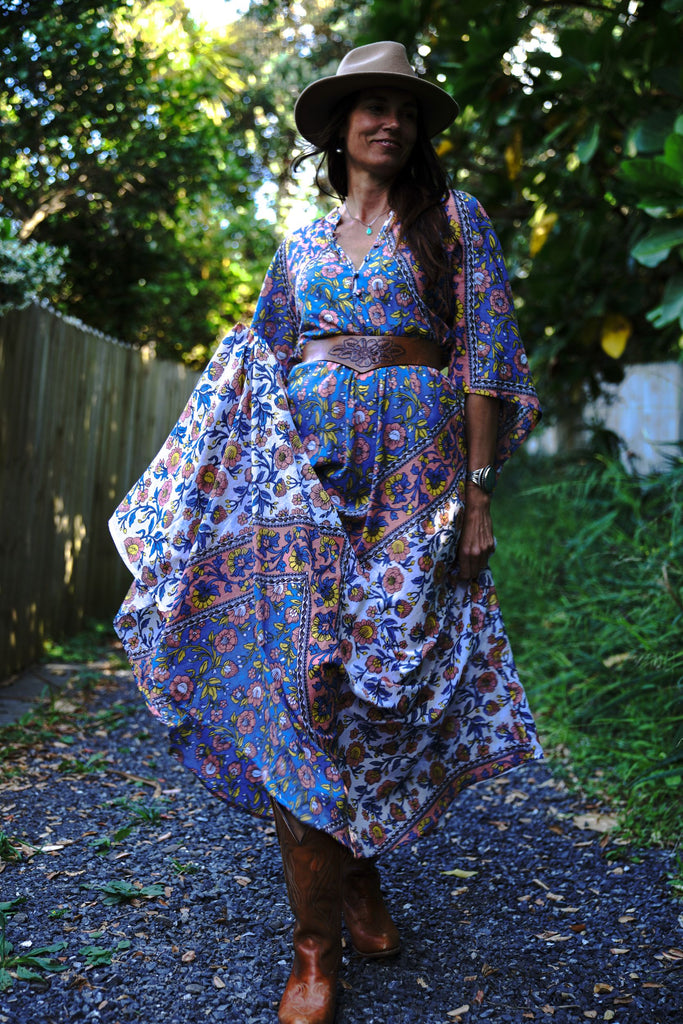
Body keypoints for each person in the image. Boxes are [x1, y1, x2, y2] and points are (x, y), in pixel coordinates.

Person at [109, 41, 542, 1024]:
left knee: (386, 692)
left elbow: (483, 359)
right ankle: (311, 946)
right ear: (338, 127)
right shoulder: (297, 249)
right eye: (368, 106)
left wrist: (474, 494)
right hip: (300, 494)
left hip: (412, 496)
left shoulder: (451, 223)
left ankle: (354, 876)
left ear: (414, 128)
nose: (385, 121)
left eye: (401, 107)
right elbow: (255, 368)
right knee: (302, 687)